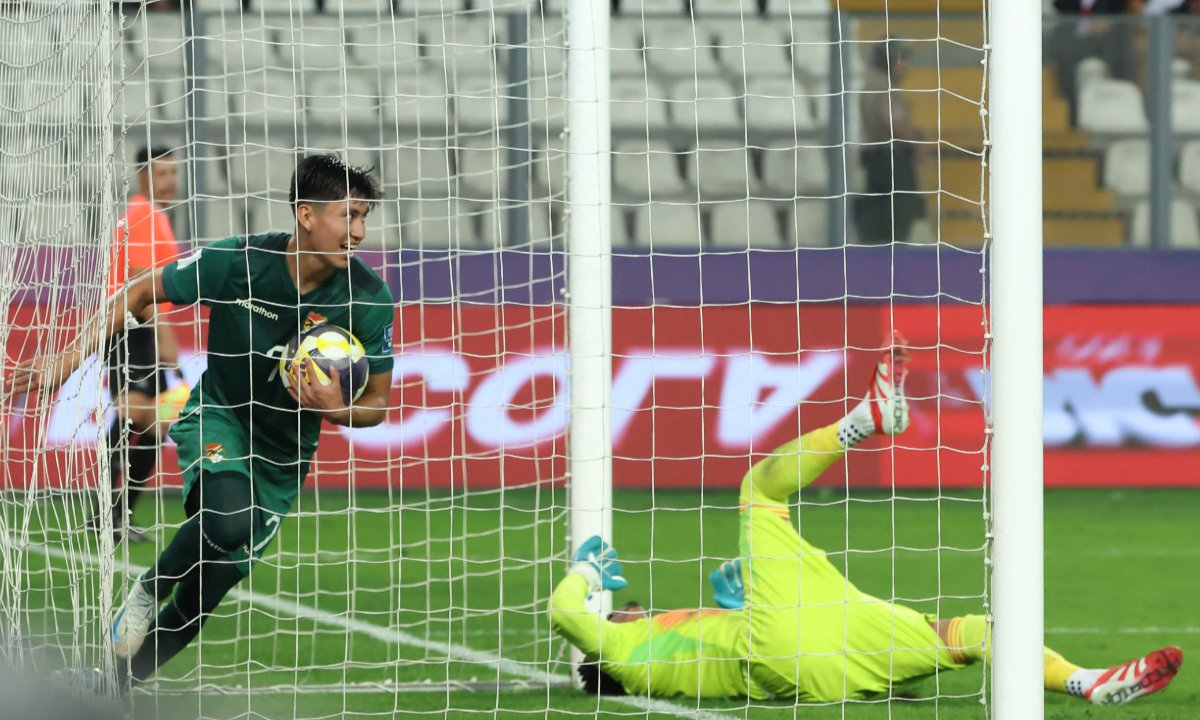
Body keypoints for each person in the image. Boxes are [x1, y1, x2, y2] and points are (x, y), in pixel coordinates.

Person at [551, 337, 1183, 706]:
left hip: (820, 664)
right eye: (620, 610)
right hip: (786, 641)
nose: (628, 608)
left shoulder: (663, 648)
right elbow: (566, 614)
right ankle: (862, 420)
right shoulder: (621, 654)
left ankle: (1087, 683)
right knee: (755, 491)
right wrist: (585, 569)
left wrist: (738, 605)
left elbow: (720, 651)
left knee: (970, 633)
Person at [11, 154, 396, 691]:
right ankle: (148, 588)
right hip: (219, 418)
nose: (358, 232)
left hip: (283, 458)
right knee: (228, 522)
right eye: (348, 216)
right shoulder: (238, 261)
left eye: (363, 219)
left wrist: (335, 409)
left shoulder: (370, 298)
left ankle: (111, 687)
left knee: (202, 597)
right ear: (306, 215)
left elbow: (376, 402)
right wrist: (65, 362)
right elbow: (139, 291)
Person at [89, 145, 184, 544]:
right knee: (138, 414)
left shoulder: (152, 215)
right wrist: (161, 331)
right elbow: (139, 280)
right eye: (163, 174)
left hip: (138, 325)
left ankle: (117, 512)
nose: (172, 181)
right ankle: (107, 512)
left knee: (155, 420)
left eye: (174, 173)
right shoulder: (143, 212)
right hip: (130, 325)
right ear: (144, 176)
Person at [856, 43, 927, 245]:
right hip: (892, 163)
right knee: (898, 224)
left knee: (877, 226)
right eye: (901, 60)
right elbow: (893, 124)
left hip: (874, 161)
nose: (906, 66)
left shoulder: (870, 83)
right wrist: (915, 142)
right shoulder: (886, 86)